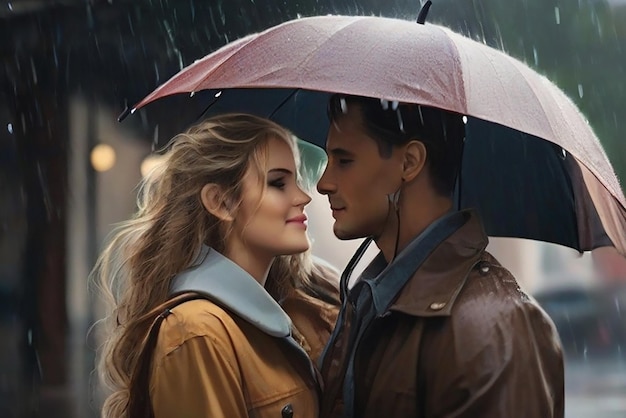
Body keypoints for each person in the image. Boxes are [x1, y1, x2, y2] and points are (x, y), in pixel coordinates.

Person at [316, 94, 565, 418]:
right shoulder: (368, 301)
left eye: (344, 160)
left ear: (409, 163)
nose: (324, 183)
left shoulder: (490, 328)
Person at [93, 113, 339, 418]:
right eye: (278, 183)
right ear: (221, 202)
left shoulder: (284, 317)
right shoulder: (195, 334)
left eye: (296, 180)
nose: (302, 197)